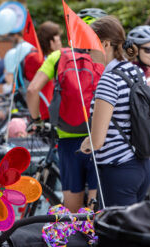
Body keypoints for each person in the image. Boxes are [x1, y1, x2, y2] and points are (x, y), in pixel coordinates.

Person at [26, 22, 104, 213]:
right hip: (96, 137)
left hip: (67, 137)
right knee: (95, 205)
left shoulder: (58, 56)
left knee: (71, 204)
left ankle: (73, 241)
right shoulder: (100, 56)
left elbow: (32, 89)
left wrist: (37, 120)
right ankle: (95, 241)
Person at [80, 16, 150, 207]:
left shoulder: (108, 80)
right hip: (142, 165)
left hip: (118, 170)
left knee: (118, 236)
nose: (87, 52)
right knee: (133, 232)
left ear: (105, 43)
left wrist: (85, 145)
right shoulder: (135, 71)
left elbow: (97, 140)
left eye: (89, 45)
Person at [23, 21, 62, 121]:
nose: (61, 44)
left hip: (49, 109)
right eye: (58, 41)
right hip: (43, 112)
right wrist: (57, 53)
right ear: (51, 42)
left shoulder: (42, 57)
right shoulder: (36, 58)